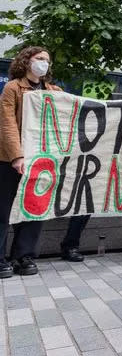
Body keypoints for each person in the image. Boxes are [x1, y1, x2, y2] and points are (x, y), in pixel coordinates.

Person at [0, 47, 62, 277]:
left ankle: (23, 256)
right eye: (39, 59)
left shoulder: (53, 91)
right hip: (9, 160)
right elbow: (7, 124)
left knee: (35, 209)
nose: (44, 63)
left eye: (47, 60)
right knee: (3, 211)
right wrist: (17, 156)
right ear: (27, 62)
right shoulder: (13, 88)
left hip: (40, 161)